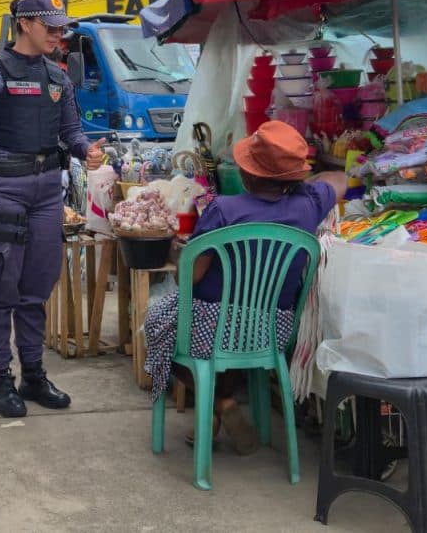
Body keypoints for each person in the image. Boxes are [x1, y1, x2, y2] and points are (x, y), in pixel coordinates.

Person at [144, 120, 347, 454]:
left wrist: (179, 254)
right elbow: (339, 179)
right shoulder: (308, 205)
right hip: (273, 330)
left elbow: (190, 276)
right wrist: (301, 187)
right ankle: (220, 402)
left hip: (214, 326)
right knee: (223, 334)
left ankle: (219, 402)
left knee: (158, 324)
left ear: (248, 175)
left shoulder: (224, 209)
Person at [0, 0, 106, 418]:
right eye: (50, 27)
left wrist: (85, 150)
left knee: (37, 288)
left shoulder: (59, 78)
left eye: (62, 28)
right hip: (2, 187)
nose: (59, 34)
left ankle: (33, 375)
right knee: (3, 287)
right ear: (24, 24)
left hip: (45, 194)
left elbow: (71, 133)